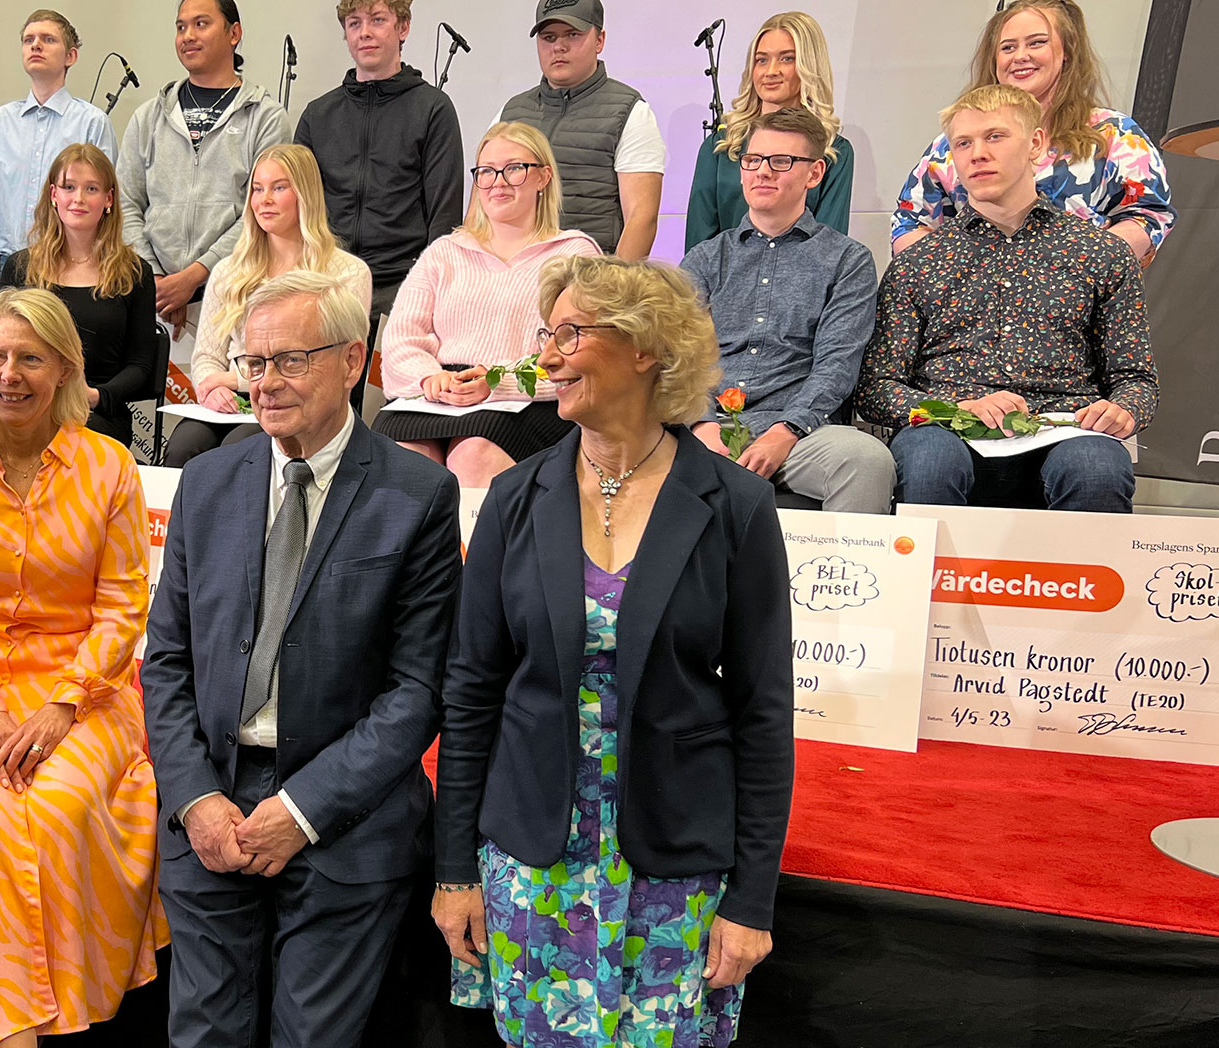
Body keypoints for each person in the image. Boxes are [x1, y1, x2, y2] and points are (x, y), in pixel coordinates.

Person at [433, 254, 793, 1048]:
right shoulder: (513, 499)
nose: (547, 355)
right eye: (545, 335)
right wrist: (454, 869)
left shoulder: (736, 505)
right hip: (532, 860)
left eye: (569, 334)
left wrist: (752, 899)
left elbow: (763, 714)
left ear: (645, 349)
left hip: (676, 866)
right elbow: (470, 694)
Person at [143, 271, 462, 1047]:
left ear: (354, 361)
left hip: (343, 817)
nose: (264, 382)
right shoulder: (208, 480)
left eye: (289, 360)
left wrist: (302, 811)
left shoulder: (419, 494)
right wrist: (194, 798)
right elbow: (167, 662)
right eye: (253, 363)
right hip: (211, 806)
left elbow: (418, 690)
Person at [0, 288, 169, 1048]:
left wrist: (62, 705)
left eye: (29, 358)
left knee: (51, 811)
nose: (8, 374)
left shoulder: (109, 467)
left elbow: (123, 605)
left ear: (65, 371)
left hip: (83, 697)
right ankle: (18, 1035)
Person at [858, 84, 1157, 512]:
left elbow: (1137, 379)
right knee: (929, 459)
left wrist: (1125, 409)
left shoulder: (1101, 253)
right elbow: (876, 387)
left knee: (1097, 467)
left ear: (1035, 144)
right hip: (948, 426)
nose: (977, 153)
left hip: (1065, 426)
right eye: (963, 143)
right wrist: (953, 408)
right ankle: (927, 580)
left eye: (995, 137)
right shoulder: (918, 262)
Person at [681, 107, 894, 513]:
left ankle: (840, 575)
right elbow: (679, 358)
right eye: (752, 160)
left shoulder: (846, 260)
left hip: (799, 433)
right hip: (705, 427)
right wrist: (702, 424)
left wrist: (787, 430)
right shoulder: (705, 258)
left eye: (781, 162)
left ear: (813, 174)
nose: (762, 172)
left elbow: (837, 365)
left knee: (867, 460)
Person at [375, 122, 598, 489]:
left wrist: (497, 384)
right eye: (487, 172)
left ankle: (478, 548)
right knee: (403, 452)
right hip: (440, 393)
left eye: (513, 169)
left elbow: (580, 354)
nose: (498, 182)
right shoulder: (445, 252)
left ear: (543, 177)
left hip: (526, 400)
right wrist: (430, 378)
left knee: (473, 452)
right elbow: (402, 338)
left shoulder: (573, 254)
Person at [891, 0, 1175, 267]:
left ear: (1067, 52)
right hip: (974, 307)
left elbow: (1149, 216)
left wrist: (1077, 268)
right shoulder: (952, 144)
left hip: (1078, 302)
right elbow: (908, 225)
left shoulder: (1114, 135)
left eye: (1036, 43)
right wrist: (966, 274)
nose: (1021, 56)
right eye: (1007, 47)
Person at [164, 143, 371, 467]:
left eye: (279, 188)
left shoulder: (347, 273)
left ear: (305, 195)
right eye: (258, 189)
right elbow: (207, 355)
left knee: (241, 450)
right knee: (184, 447)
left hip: (301, 401)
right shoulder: (228, 271)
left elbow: (335, 366)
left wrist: (234, 380)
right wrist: (210, 389)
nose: (265, 200)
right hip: (232, 402)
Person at [119, 0, 292, 332]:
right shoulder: (148, 117)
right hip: (154, 301)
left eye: (201, 24)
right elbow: (125, 203)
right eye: (181, 27)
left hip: (236, 300)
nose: (188, 36)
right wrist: (155, 277)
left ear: (234, 33)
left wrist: (198, 275)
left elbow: (262, 212)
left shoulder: (266, 117)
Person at [296, 0, 464, 317]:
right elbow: (300, 211)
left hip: (404, 287)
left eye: (377, 20)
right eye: (354, 23)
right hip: (330, 283)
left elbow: (443, 215)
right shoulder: (318, 115)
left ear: (403, 27)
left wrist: (428, 287)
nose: (365, 33)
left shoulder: (432, 109)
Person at [0, 143, 156, 444]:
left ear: (109, 199)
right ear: (54, 195)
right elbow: (0, 346)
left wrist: (97, 396)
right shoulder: (19, 268)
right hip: (26, 403)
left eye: (91, 189)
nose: (78, 199)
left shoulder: (135, 273)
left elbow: (141, 364)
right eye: (69, 187)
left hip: (97, 412)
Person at [496, 0, 664, 259]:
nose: (559, 46)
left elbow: (641, 219)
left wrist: (611, 292)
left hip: (589, 281)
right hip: (513, 277)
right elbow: (481, 208)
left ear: (600, 40)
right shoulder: (510, 112)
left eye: (572, 35)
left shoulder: (630, 111)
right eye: (548, 37)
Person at [0, 9, 119, 280]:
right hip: (6, 268)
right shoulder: (0, 123)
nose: (36, 45)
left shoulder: (91, 123)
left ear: (70, 56)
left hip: (69, 267)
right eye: (29, 40)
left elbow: (106, 208)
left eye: (48, 39)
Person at [685, 11, 855, 247]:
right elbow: (698, 248)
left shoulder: (833, 150)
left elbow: (831, 248)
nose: (770, 71)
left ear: (809, 66)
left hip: (803, 281)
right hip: (723, 281)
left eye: (786, 59)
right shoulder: (721, 146)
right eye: (761, 60)